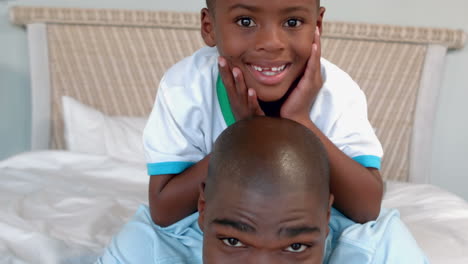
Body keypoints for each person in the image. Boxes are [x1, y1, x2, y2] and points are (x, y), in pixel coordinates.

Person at [145, 0, 383, 230]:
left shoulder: (337, 91)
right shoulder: (184, 87)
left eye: (292, 22)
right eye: (246, 21)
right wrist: (246, 135)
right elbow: (164, 210)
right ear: (210, 28)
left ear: (317, 26)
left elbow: (367, 207)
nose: (271, 43)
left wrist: (299, 121)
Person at [97, 117, 428, 263]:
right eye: (233, 241)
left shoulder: (377, 252)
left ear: (327, 218)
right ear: (202, 209)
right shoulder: (148, 248)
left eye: (296, 247)